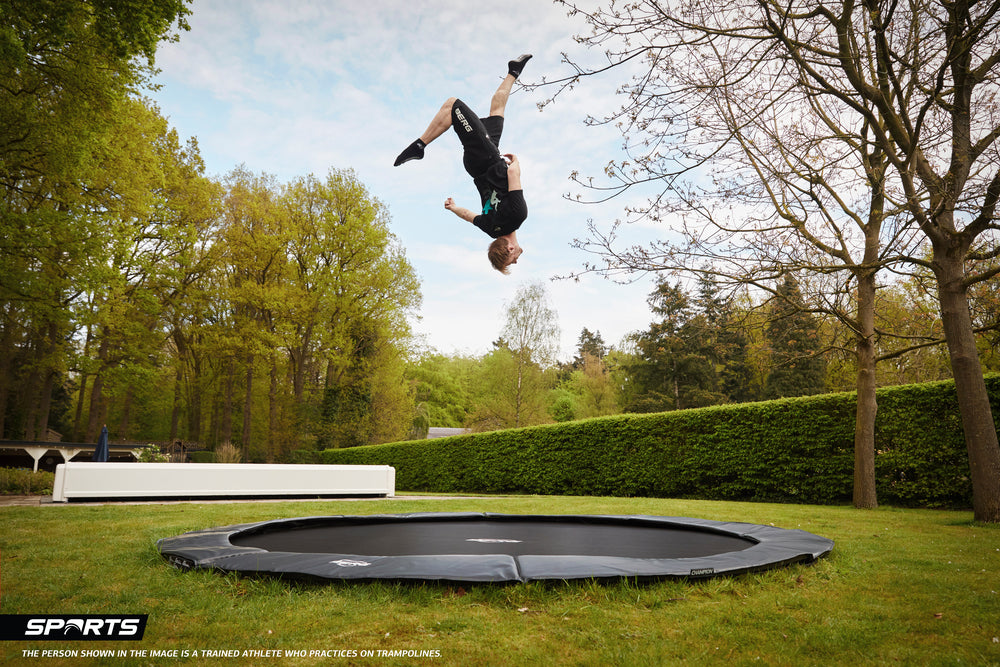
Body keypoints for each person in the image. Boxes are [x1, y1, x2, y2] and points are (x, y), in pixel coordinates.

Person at [394, 54, 532, 274]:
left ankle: (420, 146)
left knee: (452, 105)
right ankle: (513, 71)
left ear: (510, 247)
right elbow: (468, 216)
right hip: (480, 163)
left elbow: (514, 175)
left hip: (485, 157)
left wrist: (515, 162)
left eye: (511, 260)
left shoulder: (518, 216)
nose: (516, 261)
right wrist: (453, 208)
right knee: (497, 112)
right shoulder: (490, 229)